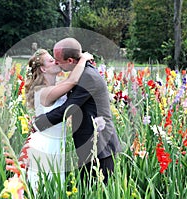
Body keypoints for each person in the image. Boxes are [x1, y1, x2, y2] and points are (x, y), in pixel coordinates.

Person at [33, 38, 122, 185]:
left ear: (69, 60)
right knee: (87, 190)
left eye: (57, 60)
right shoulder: (82, 72)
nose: (56, 63)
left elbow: (68, 108)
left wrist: (38, 124)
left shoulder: (88, 77)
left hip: (99, 145)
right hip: (89, 144)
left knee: (97, 191)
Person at [6, 48, 93, 195]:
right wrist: (83, 59)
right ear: (43, 69)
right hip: (45, 147)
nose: (56, 61)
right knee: (43, 189)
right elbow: (72, 80)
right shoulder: (43, 91)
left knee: (54, 188)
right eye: (51, 60)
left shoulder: (55, 86)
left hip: (56, 145)